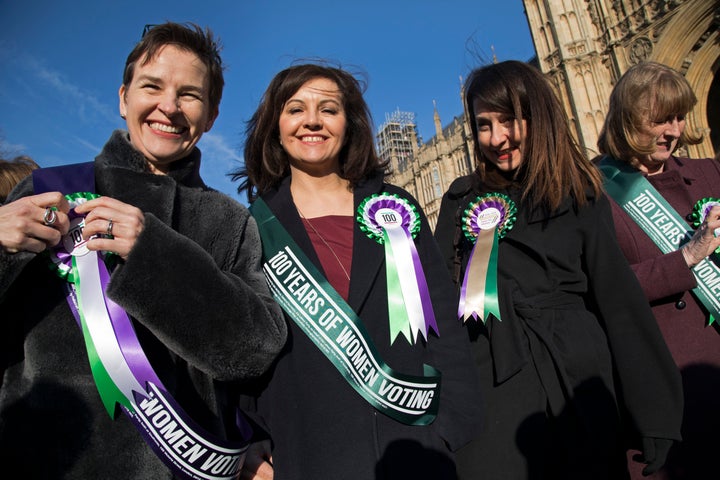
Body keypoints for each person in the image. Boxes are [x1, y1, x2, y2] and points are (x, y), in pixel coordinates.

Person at [0, 22, 287, 479]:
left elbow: (255, 350)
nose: (168, 107)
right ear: (123, 98)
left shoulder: (231, 221)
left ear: (210, 116)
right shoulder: (47, 190)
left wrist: (153, 252)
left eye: (189, 95)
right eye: (152, 86)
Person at [231, 62, 483, 480]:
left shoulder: (395, 209)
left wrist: (450, 428)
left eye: (328, 109)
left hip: (411, 446)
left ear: (349, 124)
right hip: (305, 454)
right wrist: (249, 439)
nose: (312, 120)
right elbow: (240, 349)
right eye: (296, 109)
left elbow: (444, 327)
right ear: (275, 125)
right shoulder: (251, 229)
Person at [434, 60, 683, 480]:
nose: (497, 138)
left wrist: (654, 408)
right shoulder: (462, 202)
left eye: (509, 120)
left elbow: (618, 301)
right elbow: (437, 304)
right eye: (483, 125)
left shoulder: (581, 193)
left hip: (578, 381)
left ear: (537, 116)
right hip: (493, 383)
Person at [595, 61, 720, 480]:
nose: (676, 131)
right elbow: (601, 287)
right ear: (628, 118)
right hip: (670, 394)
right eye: (661, 119)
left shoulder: (708, 173)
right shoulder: (594, 193)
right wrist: (685, 258)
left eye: (680, 117)